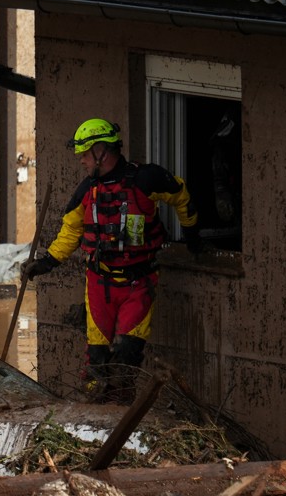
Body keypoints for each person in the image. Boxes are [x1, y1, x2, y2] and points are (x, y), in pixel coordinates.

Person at [22, 118, 200, 403]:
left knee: (127, 354)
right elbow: (70, 232)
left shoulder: (147, 179)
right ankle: (95, 410)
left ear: (101, 152)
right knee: (97, 360)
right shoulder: (86, 191)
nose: (81, 161)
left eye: (84, 154)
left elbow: (181, 195)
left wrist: (191, 234)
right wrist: (47, 262)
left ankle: (121, 410)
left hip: (139, 283)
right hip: (100, 284)